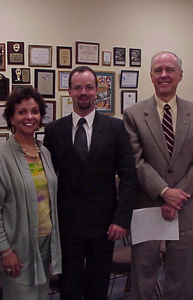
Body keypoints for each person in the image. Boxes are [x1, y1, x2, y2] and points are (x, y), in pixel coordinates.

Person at [44, 66, 137, 300]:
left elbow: (129, 176)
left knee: (98, 286)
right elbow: (48, 179)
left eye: (88, 87)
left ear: (97, 91)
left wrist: (121, 219)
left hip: (105, 226)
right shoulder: (54, 130)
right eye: (78, 88)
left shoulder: (116, 128)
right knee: (70, 286)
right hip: (67, 224)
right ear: (69, 91)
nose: (83, 92)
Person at [123, 51, 193, 300]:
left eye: (170, 70)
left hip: (185, 208)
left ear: (180, 75)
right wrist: (164, 192)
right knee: (143, 276)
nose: (164, 75)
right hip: (147, 206)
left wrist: (177, 197)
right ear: (150, 76)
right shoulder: (133, 114)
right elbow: (135, 161)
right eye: (158, 70)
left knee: (181, 277)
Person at [0, 87, 61, 300]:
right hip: (17, 248)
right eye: (22, 112)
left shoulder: (44, 152)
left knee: (41, 297)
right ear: (11, 117)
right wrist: (5, 251)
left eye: (35, 111)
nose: (29, 117)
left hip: (44, 242)